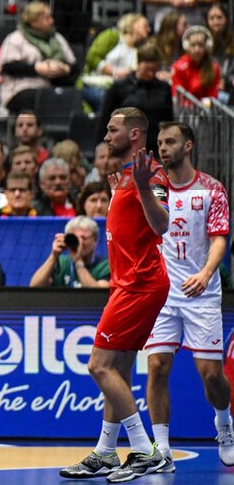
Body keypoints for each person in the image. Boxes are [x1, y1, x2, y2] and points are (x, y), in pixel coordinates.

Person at [59, 107, 170, 481]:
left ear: (135, 135)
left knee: (98, 366)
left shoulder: (150, 174)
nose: (106, 137)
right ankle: (106, 452)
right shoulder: (124, 176)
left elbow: (162, 225)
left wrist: (139, 187)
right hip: (127, 284)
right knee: (117, 372)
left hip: (140, 285)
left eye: (112, 130)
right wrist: (123, 190)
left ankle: (144, 450)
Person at [146, 121, 234, 468]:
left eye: (170, 142)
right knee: (157, 366)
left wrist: (206, 272)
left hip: (201, 292)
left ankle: (224, 424)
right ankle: (161, 447)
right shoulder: (155, 188)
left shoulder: (212, 189)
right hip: (162, 294)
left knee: (211, 374)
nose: (163, 148)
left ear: (188, 146)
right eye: (159, 143)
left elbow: (219, 239)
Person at [0, 2, 78, 113]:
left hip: (52, 87)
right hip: (19, 89)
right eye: (47, 18)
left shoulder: (57, 38)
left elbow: (74, 65)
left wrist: (64, 69)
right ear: (34, 22)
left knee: (73, 99)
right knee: (42, 100)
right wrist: (37, 68)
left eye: (51, 17)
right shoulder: (15, 38)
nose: (52, 21)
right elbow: (8, 67)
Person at [97, 44, 173, 151]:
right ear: (139, 64)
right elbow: (105, 119)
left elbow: (168, 120)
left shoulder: (164, 88)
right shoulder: (119, 87)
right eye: (148, 70)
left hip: (154, 147)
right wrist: (104, 145)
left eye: (154, 70)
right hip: (125, 146)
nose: (151, 74)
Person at [30, 215, 109, 288]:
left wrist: (78, 262)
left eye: (84, 238)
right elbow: (35, 286)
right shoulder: (61, 263)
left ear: (95, 240)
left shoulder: (105, 266)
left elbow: (97, 295)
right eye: (75, 238)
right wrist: (53, 256)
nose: (80, 242)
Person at [170, 26, 220, 100]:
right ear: (187, 46)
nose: (197, 50)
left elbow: (213, 95)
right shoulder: (178, 67)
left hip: (207, 108)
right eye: (193, 45)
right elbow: (179, 97)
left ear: (207, 46)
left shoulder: (214, 68)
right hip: (185, 109)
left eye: (200, 45)